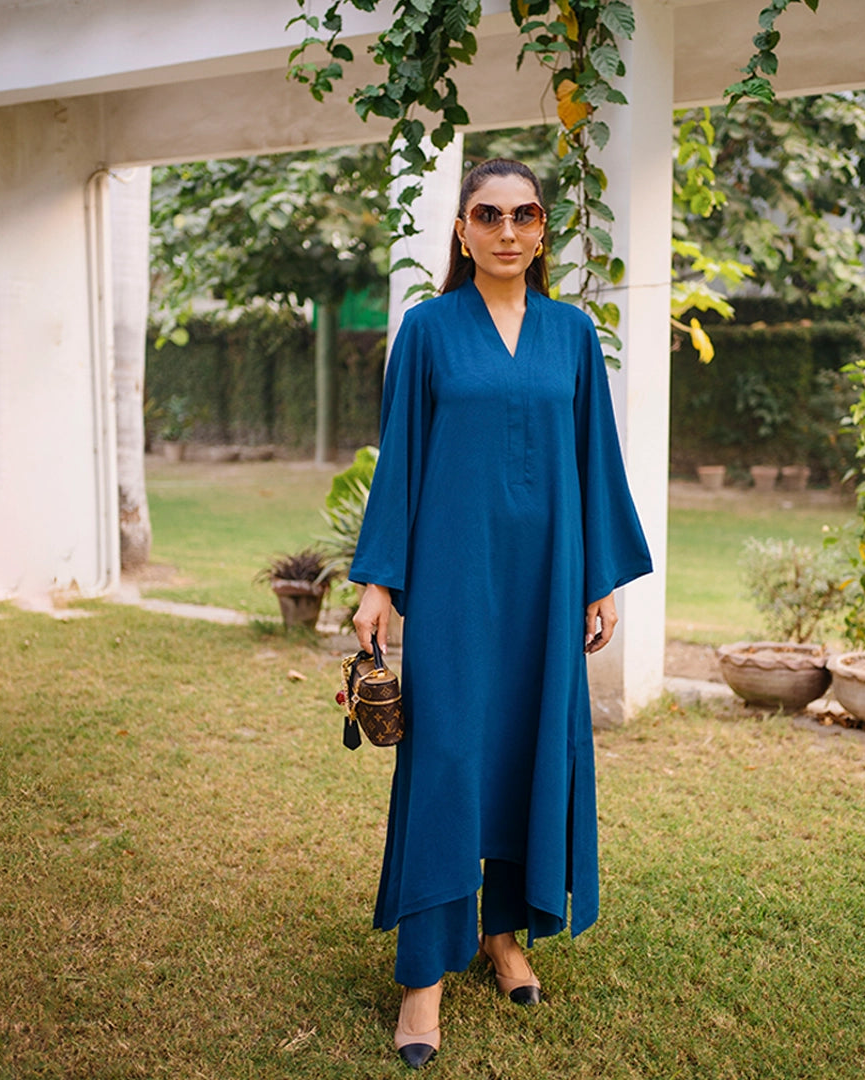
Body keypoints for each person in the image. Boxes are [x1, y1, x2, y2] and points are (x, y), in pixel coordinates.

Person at [350, 157, 652, 1069]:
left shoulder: (573, 333)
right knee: (447, 758)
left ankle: (504, 935)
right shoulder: (428, 330)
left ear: (544, 229)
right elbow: (400, 457)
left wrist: (598, 578)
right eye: (489, 215)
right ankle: (424, 976)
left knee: (528, 751)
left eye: (524, 215)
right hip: (453, 578)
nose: (507, 231)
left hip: (548, 582)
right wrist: (377, 583)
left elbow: (594, 459)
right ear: (462, 230)